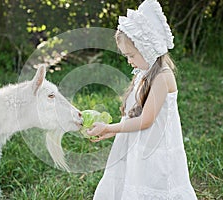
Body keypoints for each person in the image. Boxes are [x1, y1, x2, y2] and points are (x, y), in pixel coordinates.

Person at [87, 0, 198, 199]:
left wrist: (109, 128)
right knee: (135, 185)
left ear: (147, 48)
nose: (129, 61)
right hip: (139, 149)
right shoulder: (142, 74)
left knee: (155, 187)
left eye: (131, 55)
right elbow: (134, 117)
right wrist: (112, 132)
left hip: (157, 152)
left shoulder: (162, 77)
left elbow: (146, 121)